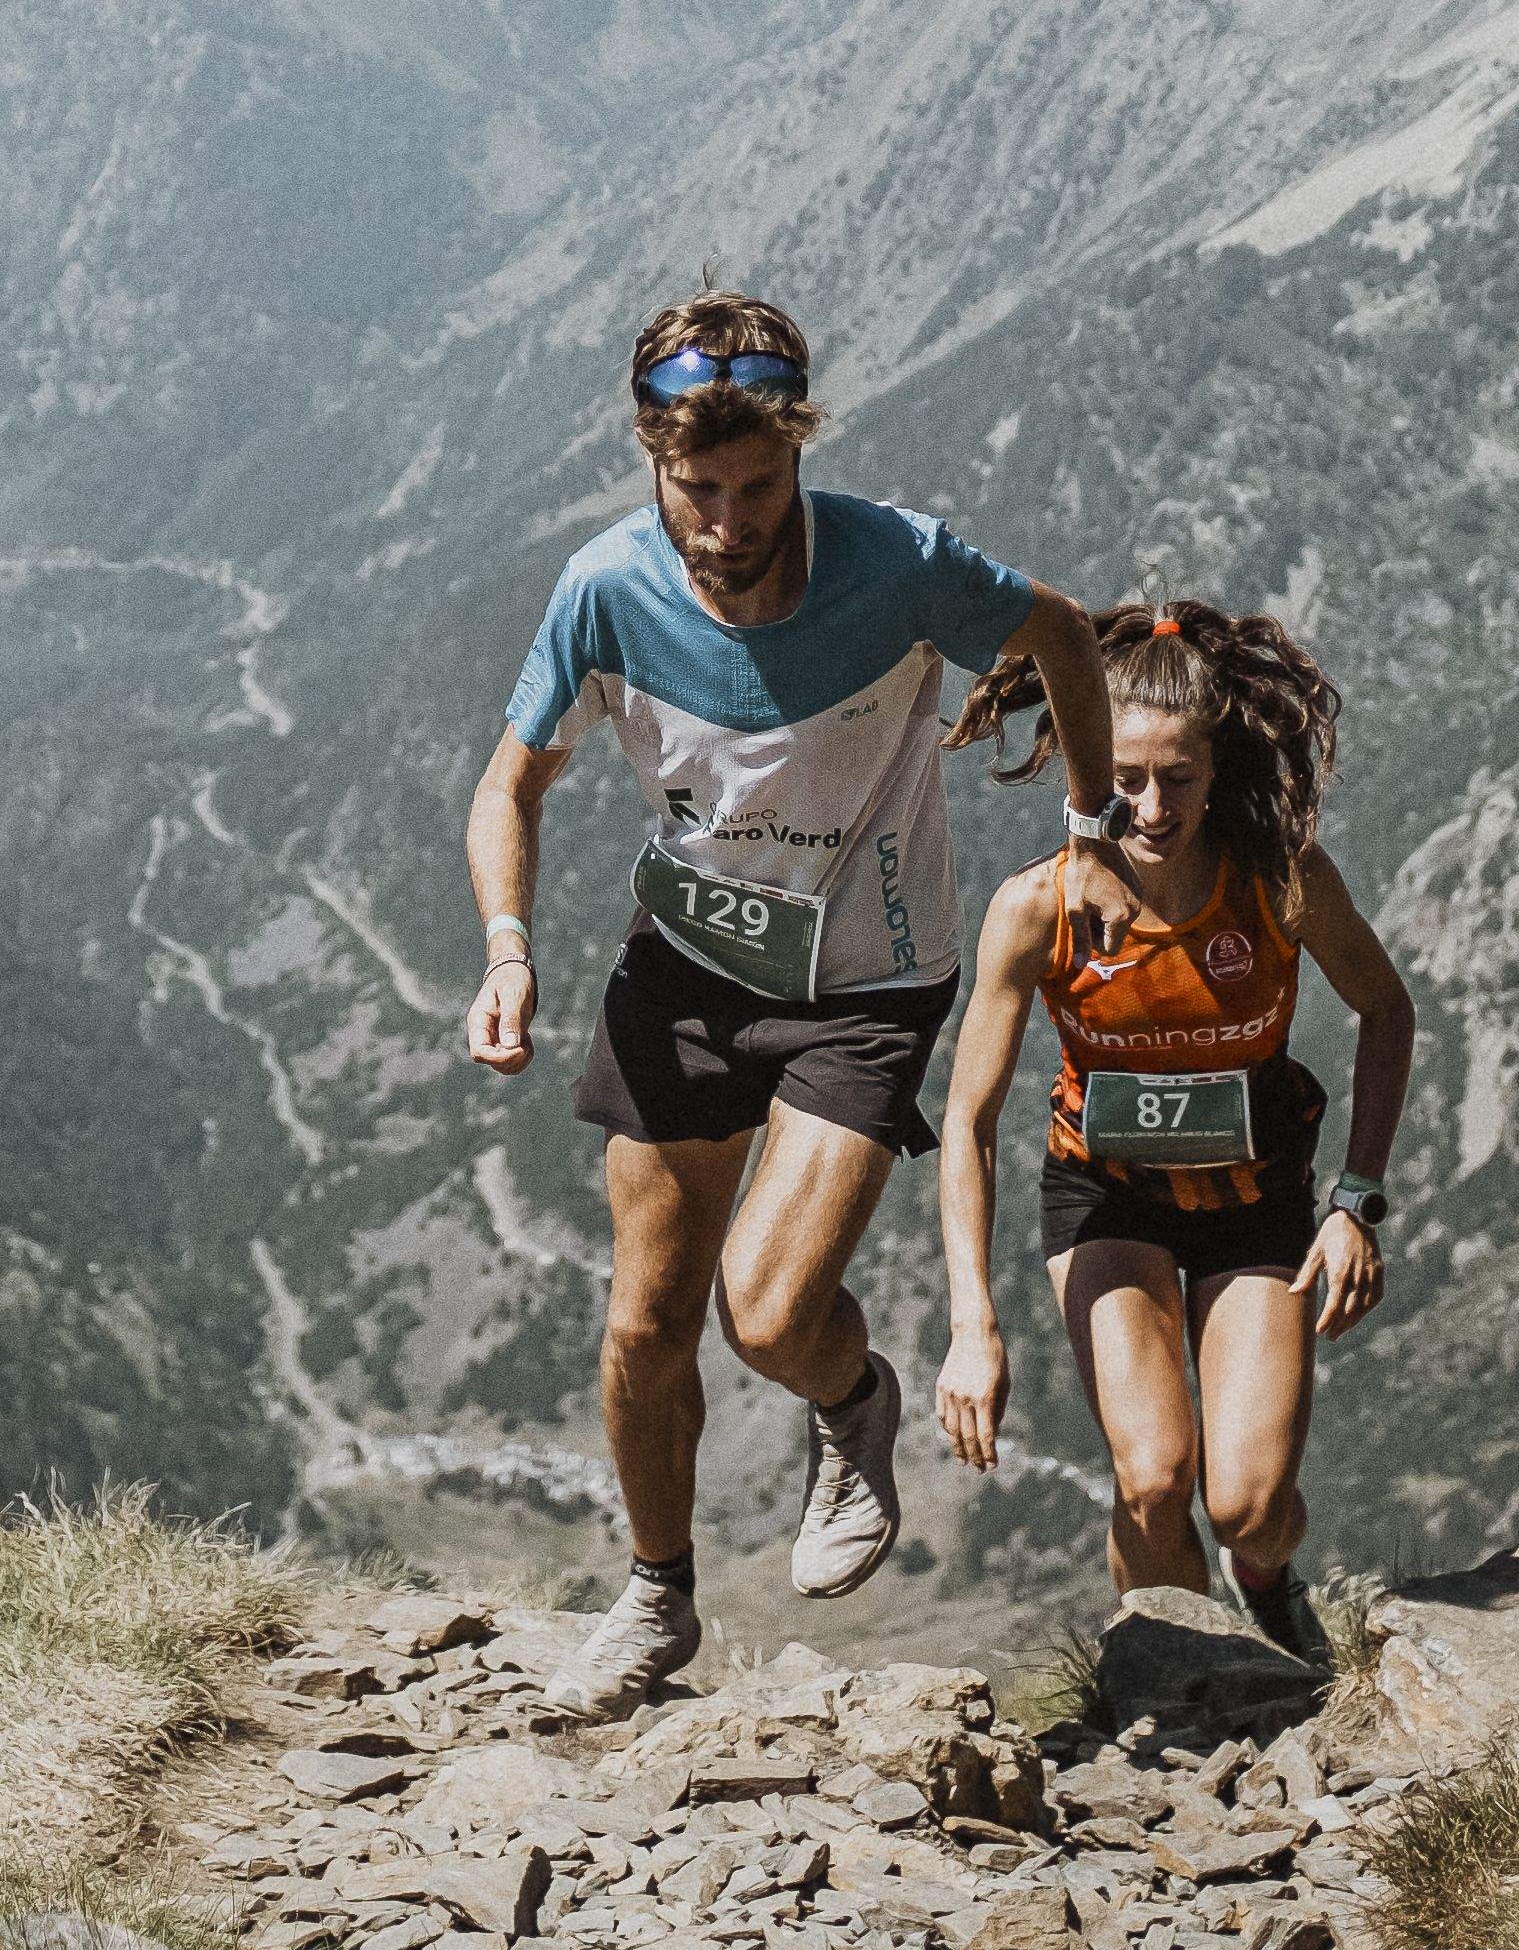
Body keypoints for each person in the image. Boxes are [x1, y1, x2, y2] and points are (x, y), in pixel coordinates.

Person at [465, 291, 1118, 1712]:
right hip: (687, 968)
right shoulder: (605, 590)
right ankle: (656, 1601)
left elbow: (1065, 634)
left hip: (865, 980)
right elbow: (511, 784)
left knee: (764, 1315)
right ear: (652, 459)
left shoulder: (898, 566)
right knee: (647, 1318)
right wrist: (509, 948)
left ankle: (851, 1401)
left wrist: (1090, 824)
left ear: (800, 450)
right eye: (699, 488)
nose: (729, 518)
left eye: (761, 485)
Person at [923, 598, 1415, 1670]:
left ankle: (1265, 1579)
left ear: (1215, 765)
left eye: (1177, 778)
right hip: (1107, 1199)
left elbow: (1388, 1007)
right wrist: (973, 1321)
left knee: (1247, 1504)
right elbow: (964, 1121)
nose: (1148, 806)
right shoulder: (1037, 908)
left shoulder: (1278, 878)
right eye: (1124, 780)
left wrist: (1357, 1199)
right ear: (1088, 773)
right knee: (1152, 1478)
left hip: (1257, 1200)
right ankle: (1189, 1687)